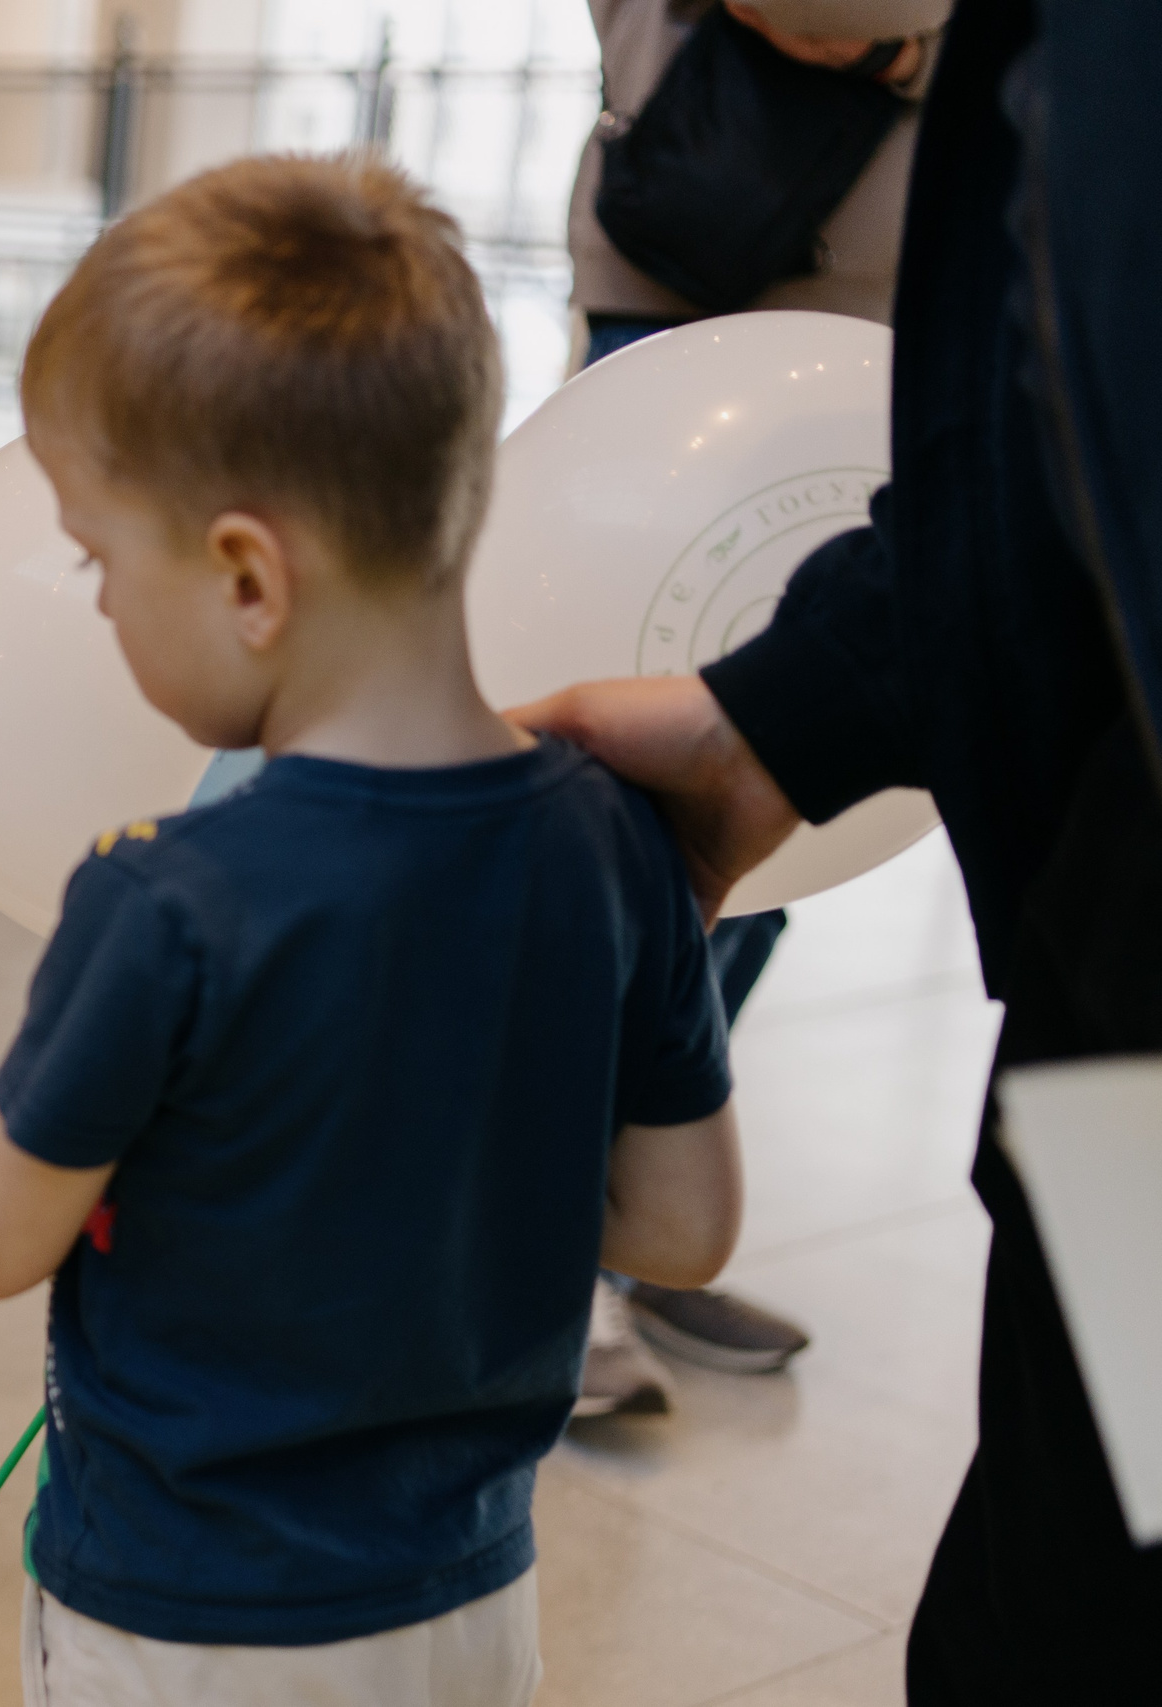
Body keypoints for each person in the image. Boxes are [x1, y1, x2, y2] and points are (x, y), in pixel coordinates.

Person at [0, 154, 742, 1706]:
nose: (93, 606)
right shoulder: (613, 833)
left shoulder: (170, 900)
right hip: (471, 1597)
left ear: (247, 577)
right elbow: (682, 1230)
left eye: (97, 561)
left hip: (188, 1623)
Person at [520, 2, 1162, 1694]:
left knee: (1074, 1605)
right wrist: (790, 711)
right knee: (1073, 1559)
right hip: (1120, 932)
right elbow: (1060, 387)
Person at [564, 0, 950, 1412]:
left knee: (768, 830)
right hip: (680, 279)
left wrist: (909, 43)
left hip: (879, 316)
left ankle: (646, 1218)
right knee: (630, 813)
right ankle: (547, 1258)